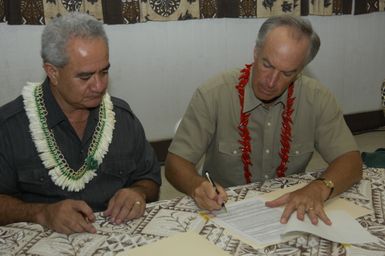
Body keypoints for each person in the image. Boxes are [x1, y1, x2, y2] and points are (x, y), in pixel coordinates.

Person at [165, 15, 362, 226]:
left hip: (287, 212)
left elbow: (351, 162)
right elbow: (175, 164)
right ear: (256, 51)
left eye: (287, 73)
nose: (271, 81)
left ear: (300, 71)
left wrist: (318, 187)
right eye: (267, 64)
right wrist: (197, 185)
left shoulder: (317, 98)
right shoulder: (214, 94)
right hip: (226, 212)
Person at [0, 12, 161, 235]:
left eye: (104, 72)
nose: (98, 86)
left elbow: (149, 179)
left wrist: (138, 192)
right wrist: (41, 213)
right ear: (53, 72)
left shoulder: (122, 118)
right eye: (85, 77)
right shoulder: (10, 126)